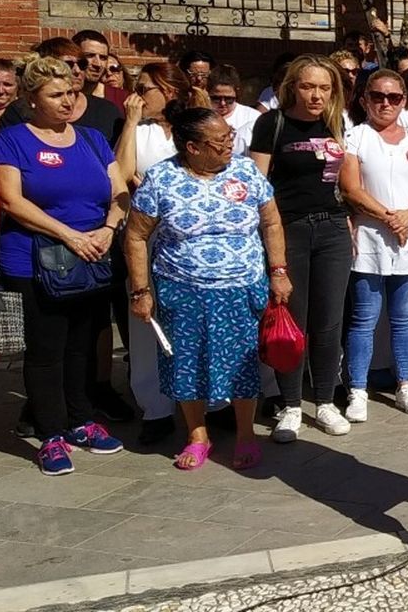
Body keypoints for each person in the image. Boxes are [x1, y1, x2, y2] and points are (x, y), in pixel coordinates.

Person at [124, 104, 290, 471]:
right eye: (219, 141)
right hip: (182, 287)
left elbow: (272, 222)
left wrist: (278, 270)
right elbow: (136, 236)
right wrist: (140, 290)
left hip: (241, 285)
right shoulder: (162, 179)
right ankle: (197, 434)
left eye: (229, 137)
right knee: (185, 361)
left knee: (243, 363)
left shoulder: (246, 170)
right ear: (192, 147)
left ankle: (245, 433)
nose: (229, 145)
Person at [0, 56, 130, 476]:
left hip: (91, 256)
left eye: (71, 92)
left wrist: (109, 228)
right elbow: (11, 201)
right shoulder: (13, 140)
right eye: (56, 94)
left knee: (83, 344)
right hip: (36, 259)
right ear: (31, 99)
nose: (68, 100)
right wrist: (68, 234)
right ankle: (50, 433)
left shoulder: (91, 138)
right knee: (46, 349)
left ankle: (81, 420)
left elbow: (118, 188)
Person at [247, 54, 353, 442]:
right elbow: (258, 187)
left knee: (329, 322)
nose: (316, 95)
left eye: (324, 88)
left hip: (333, 229)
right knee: (291, 321)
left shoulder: (336, 122)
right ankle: (290, 405)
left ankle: (324, 401)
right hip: (289, 230)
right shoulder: (271, 124)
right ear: (293, 86)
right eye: (308, 86)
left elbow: (343, 181)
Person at [118, 62, 210, 445]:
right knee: (147, 320)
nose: (136, 96)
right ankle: (154, 406)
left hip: (196, 239)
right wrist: (130, 120)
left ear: (169, 91)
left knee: (201, 319)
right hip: (149, 237)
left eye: (145, 90)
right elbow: (120, 172)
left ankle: (210, 404)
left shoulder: (198, 127)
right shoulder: (141, 132)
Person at [339, 70, 408, 421]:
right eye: (378, 96)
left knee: (405, 317)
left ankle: (406, 383)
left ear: (404, 100)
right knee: (364, 318)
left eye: (394, 97)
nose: (385, 103)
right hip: (370, 237)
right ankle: (358, 389)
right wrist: (390, 217)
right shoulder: (356, 137)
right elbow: (351, 187)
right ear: (364, 100)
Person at [208, 66, 261, 155]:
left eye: (229, 99)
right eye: (216, 98)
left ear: (237, 93)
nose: (223, 103)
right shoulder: (201, 117)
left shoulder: (254, 117)